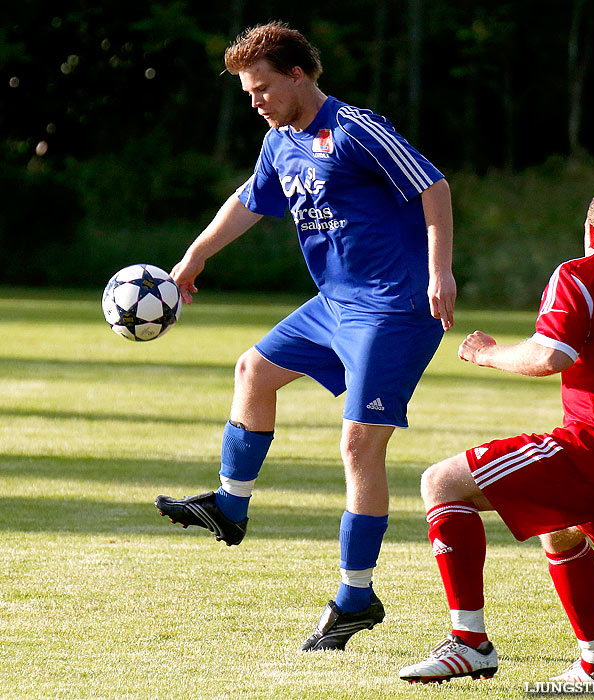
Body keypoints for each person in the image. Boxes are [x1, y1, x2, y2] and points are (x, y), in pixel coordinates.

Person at [154, 21, 455, 652]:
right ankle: (230, 505)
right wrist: (194, 257)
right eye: (247, 92)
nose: (255, 101)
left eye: (262, 87)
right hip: (334, 304)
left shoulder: (354, 130)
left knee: (358, 448)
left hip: (394, 309)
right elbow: (249, 201)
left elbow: (433, 186)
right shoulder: (279, 142)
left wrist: (439, 272)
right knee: (253, 371)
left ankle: (354, 598)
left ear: (298, 75)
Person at [398, 187, 594, 684]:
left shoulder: (579, 273)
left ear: (591, 232)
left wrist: (486, 352)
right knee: (561, 527)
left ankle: (469, 643)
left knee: (441, 483)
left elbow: (551, 357)